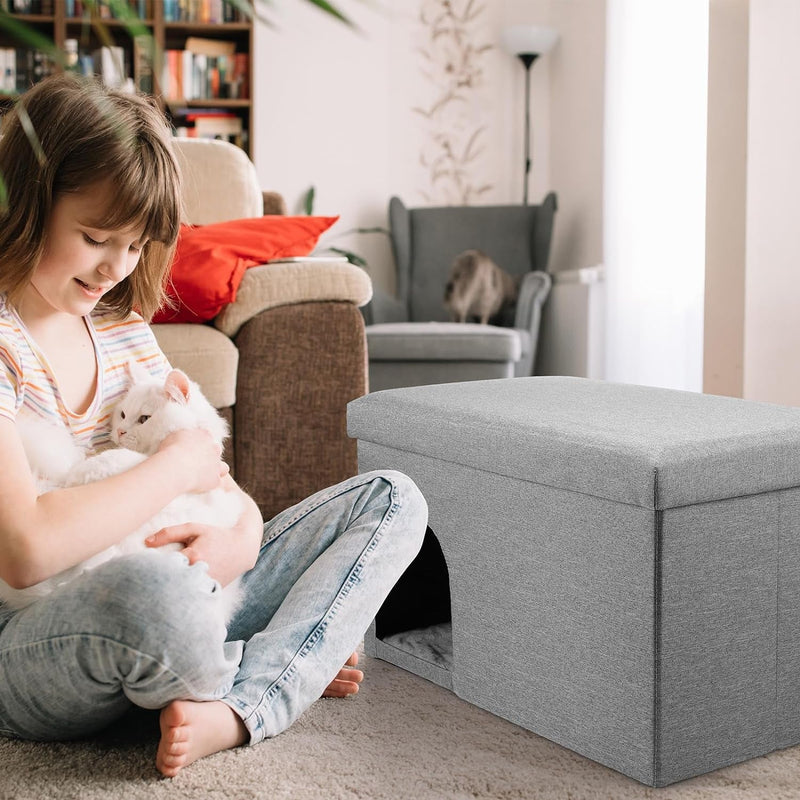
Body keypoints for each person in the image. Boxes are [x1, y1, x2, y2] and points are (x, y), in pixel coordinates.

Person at [0, 74, 427, 777]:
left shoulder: (125, 333)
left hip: (197, 588)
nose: (116, 266)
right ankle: (289, 658)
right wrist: (174, 465)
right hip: (44, 635)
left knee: (390, 498)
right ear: (28, 203)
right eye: (95, 237)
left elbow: (228, 494)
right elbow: (24, 551)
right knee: (160, 600)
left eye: (136, 247)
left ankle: (238, 702)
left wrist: (235, 541)